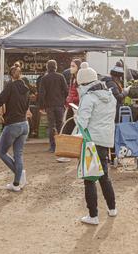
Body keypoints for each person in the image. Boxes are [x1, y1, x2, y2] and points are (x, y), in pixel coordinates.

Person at [75, 62, 117, 225]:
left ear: (82, 82)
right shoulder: (109, 95)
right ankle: (112, 208)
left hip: (90, 141)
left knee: (89, 178)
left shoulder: (88, 98)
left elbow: (83, 123)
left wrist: (77, 116)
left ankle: (93, 215)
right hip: (105, 140)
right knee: (104, 176)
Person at [0, 63, 30, 192]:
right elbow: (26, 107)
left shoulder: (10, 86)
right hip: (24, 125)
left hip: (13, 125)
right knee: (18, 154)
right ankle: (16, 183)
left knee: (1, 152)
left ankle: (19, 176)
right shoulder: (26, 88)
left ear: (11, 76)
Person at [38, 60, 68, 153]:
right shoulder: (61, 77)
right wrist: (63, 99)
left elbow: (41, 93)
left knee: (51, 126)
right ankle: (62, 145)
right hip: (60, 105)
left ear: (47, 67)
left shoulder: (44, 78)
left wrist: (42, 106)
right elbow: (66, 90)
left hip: (49, 106)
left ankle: (53, 146)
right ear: (56, 67)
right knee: (61, 126)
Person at [62, 59, 82, 134]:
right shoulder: (72, 78)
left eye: (73, 66)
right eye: (70, 66)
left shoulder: (80, 80)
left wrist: (71, 99)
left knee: (70, 128)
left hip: (76, 108)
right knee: (67, 127)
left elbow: (81, 96)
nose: (71, 68)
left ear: (78, 68)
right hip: (71, 107)